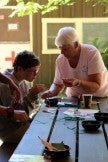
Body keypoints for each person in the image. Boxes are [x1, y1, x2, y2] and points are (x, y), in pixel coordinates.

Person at [41, 26, 108, 99]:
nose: (62, 52)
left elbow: (96, 86)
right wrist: (50, 92)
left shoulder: (91, 53)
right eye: (60, 48)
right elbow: (58, 84)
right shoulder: (60, 60)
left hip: (99, 97)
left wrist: (78, 82)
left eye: (65, 49)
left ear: (76, 44)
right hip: (74, 99)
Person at [0, 50, 45, 143]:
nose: (36, 74)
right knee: (43, 136)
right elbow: (15, 117)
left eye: (37, 70)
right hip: (9, 131)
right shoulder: (5, 87)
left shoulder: (23, 82)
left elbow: (29, 110)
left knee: (46, 125)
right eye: (32, 71)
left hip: (19, 126)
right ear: (20, 69)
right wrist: (31, 95)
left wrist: (34, 96)